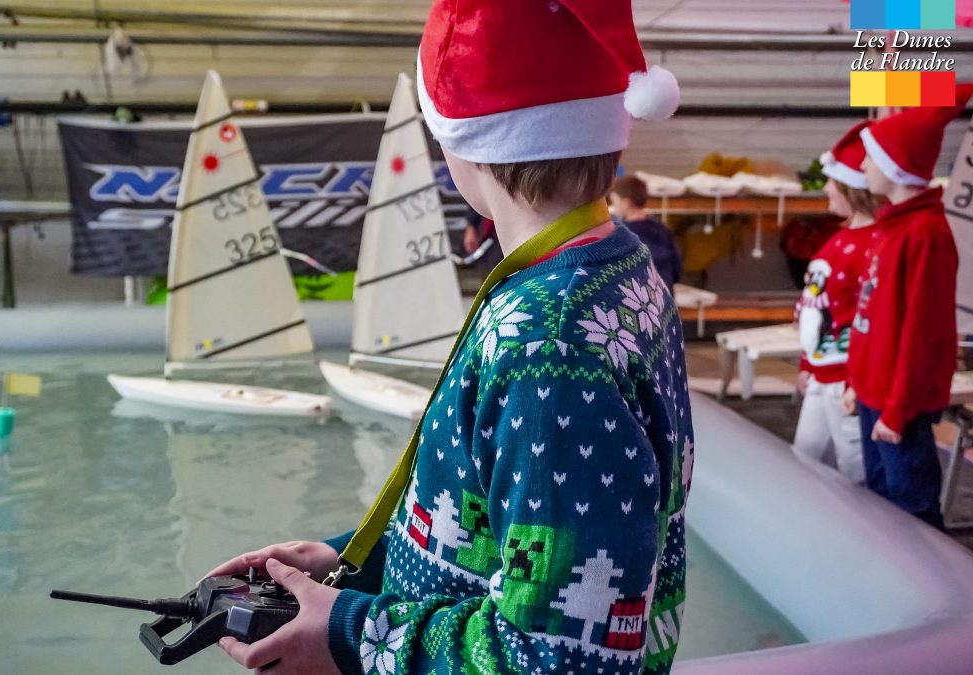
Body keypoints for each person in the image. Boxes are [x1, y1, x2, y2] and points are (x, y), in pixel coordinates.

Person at [206, 2, 693, 674]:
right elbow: (516, 526)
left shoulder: (547, 343)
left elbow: (557, 655)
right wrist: (355, 561)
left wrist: (348, 632)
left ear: (464, 139)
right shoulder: (614, 270)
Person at [845, 84, 972, 530]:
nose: (862, 167)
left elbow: (922, 333)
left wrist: (897, 410)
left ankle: (943, 599)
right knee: (881, 506)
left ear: (896, 167)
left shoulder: (925, 235)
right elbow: (871, 317)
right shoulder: (890, 229)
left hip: (898, 403)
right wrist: (855, 382)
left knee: (913, 514)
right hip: (873, 394)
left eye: (870, 158)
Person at [791, 122, 884, 484]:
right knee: (806, 459)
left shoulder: (873, 244)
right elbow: (816, 305)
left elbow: (868, 317)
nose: (826, 187)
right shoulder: (840, 238)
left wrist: (856, 380)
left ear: (852, 187)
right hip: (822, 371)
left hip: (844, 377)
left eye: (833, 180)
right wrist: (807, 362)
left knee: (855, 468)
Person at [609, 175, 683, 289]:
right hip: (665, 299)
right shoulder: (663, 229)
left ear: (627, 203)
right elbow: (677, 270)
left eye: (615, 201)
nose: (613, 207)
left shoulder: (622, 236)